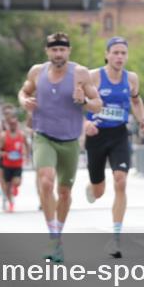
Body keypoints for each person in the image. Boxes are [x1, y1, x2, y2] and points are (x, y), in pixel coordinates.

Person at [18, 32, 102, 263]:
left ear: (69, 51)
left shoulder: (81, 74)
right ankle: (52, 236)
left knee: (64, 193)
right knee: (46, 181)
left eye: (62, 50)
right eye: (54, 50)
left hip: (70, 140)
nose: (58, 54)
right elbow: (24, 91)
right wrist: (24, 101)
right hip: (43, 135)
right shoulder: (37, 72)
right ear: (47, 51)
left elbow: (98, 106)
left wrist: (83, 101)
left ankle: (58, 236)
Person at [84, 36, 144, 259]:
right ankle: (92, 187)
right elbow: (79, 102)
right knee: (99, 191)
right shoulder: (94, 76)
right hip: (96, 134)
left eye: (123, 53)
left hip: (119, 134)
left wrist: (142, 120)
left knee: (120, 180)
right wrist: (85, 123)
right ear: (107, 55)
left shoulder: (131, 79)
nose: (120, 57)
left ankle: (116, 237)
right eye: (116, 52)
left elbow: (136, 100)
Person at [0, 113, 27, 213]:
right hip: (7, 164)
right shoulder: (3, 136)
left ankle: (15, 187)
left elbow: (26, 146)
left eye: (15, 123)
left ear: (17, 124)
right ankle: (11, 204)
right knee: (7, 186)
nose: (13, 125)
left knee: (16, 182)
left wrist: (26, 155)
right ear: (8, 125)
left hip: (18, 164)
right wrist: (5, 153)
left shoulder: (21, 135)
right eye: (11, 124)